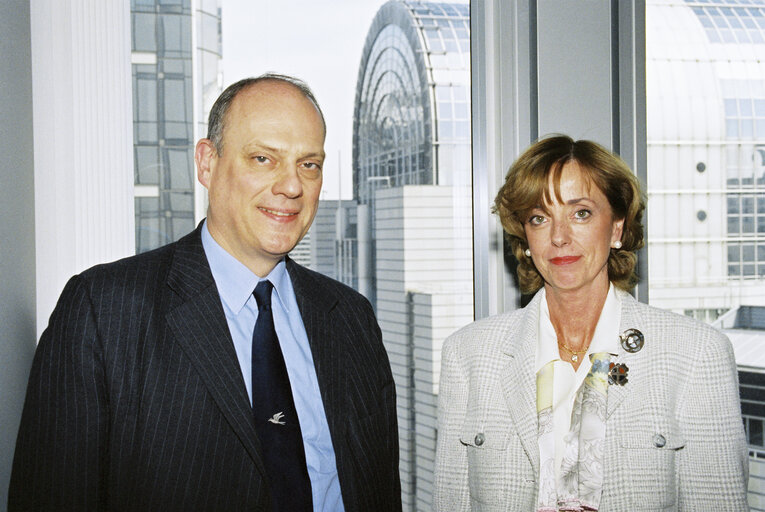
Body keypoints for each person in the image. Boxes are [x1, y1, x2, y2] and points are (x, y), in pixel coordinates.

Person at [9, 74, 401, 512]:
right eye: (263, 158)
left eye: (309, 164)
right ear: (207, 164)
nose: (292, 186)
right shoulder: (103, 313)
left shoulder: (351, 318)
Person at [433, 135, 748, 511]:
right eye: (539, 218)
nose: (559, 237)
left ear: (616, 228)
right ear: (526, 237)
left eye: (580, 213)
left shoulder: (695, 355)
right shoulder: (468, 356)